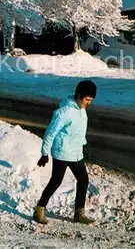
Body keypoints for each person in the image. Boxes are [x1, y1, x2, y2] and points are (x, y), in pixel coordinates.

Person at [33, 80, 97, 225]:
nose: (89, 103)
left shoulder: (81, 109)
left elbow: (79, 131)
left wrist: (83, 145)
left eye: (91, 100)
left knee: (83, 180)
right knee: (56, 181)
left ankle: (79, 214)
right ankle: (39, 210)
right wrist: (44, 153)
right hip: (62, 152)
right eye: (87, 99)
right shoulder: (64, 112)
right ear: (79, 95)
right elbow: (50, 132)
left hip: (75, 152)